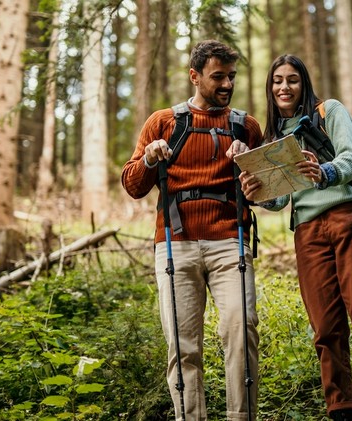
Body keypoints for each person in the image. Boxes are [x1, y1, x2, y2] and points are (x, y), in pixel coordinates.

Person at [239, 54, 352, 420]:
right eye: (277, 80)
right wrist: (256, 191)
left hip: (351, 219)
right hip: (308, 233)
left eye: (292, 79)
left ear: (303, 83)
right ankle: (340, 407)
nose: (284, 87)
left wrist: (324, 171)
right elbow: (280, 199)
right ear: (270, 87)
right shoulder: (275, 136)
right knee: (325, 327)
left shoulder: (329, 111)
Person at [122, 40, 263, 421]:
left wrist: (248, 168)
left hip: (230, 241)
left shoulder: (246, 126)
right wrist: (151, 157)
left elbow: (268, 193)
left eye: (232, 76)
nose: (227, 85)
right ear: (195, 76)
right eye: (218, 77)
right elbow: (133, 185)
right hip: (175, 244)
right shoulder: (163, 122)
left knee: (241, 326)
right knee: (183, 346)